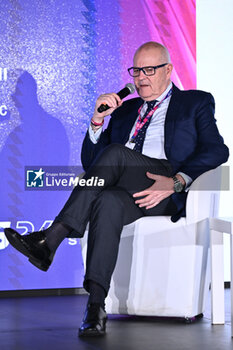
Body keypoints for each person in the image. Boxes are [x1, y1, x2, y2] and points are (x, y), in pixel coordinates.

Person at [4, 41, 229, 337]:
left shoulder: (195, 102)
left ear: (168, 70)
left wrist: (177, 181)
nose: (141, 78)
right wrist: (97, 121)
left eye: (150, 70)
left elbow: (217, 150)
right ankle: (95, 306)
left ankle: (51, 238)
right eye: (136, 71)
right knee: (106, 201)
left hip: (163, 184)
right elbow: (92, 164)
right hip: (125, 186)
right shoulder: (124, 111)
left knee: (116, 153)